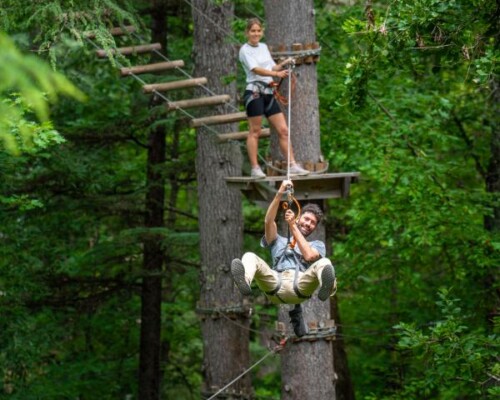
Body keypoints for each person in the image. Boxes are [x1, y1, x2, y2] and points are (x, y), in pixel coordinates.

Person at [230, 180, 336, 337]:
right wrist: (280, 193)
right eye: (306, 219)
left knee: (325, 263)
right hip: (275, 283)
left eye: (313, 223)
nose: (308, 224)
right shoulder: (277, 240)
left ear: (315, 227)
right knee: (249, 256)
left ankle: (327, 287)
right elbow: (268, 221)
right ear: (299, 217)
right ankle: (244, 281)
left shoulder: (317, 245)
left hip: (300, 285)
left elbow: (309, 255)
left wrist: (293, 226)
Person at [239, 18, 310, 179]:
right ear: (247, 33)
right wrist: (276, 75)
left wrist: (284, 63)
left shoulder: (263, 47)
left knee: (283, 130)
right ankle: (255, 168)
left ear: (261, 32)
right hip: (255, 93)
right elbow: (256, 70)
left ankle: (292, 165)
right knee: (255, 131)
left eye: (258, 31)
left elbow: (271, 67)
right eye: (253, 31)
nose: (256, 34)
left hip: (268, 94)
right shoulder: (245, 50)